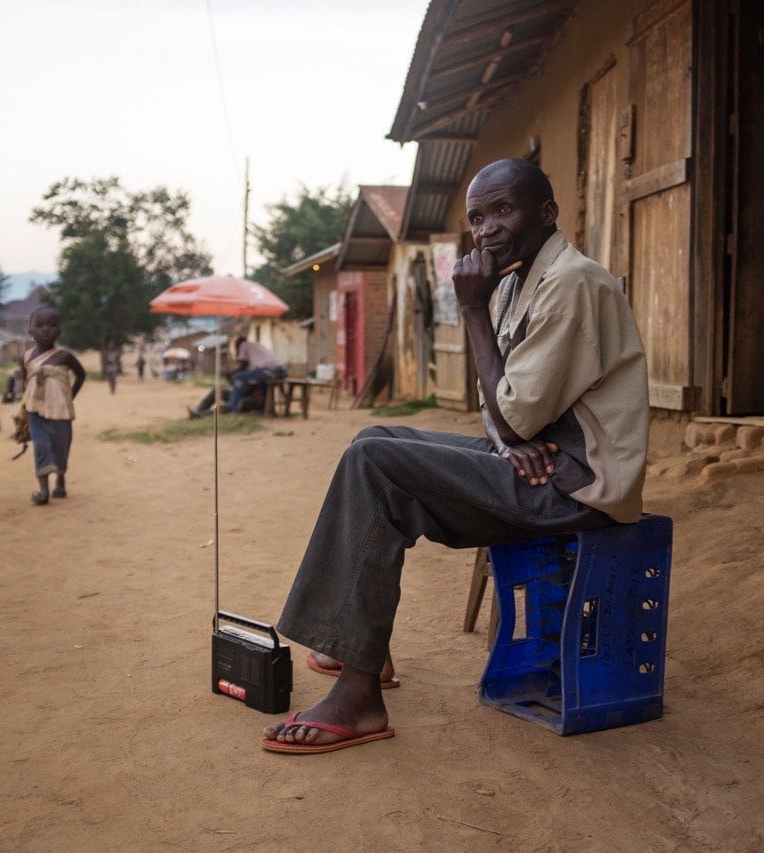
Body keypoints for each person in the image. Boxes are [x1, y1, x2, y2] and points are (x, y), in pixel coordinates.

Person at [261, 158, 650, 754]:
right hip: (541, 463)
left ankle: (361, 696)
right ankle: (362, 646)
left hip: (577, 486)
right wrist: (508, 442)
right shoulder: (517, 283)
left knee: (376, 465)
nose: (487, 228)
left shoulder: (571, 283)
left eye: (503, 210)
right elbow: (493, 409)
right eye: (476, 217)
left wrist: (472, 313)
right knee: (373, 440)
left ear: (547, 213)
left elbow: (511, 410)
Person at [20, 307, 86, 506]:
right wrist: (22, 405)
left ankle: (60, 479)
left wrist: (70, 396)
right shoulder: (26, 358)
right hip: (35, 411)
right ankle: (42, 490)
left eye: (52, 325)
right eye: (39, 325)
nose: (45, 329)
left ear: (59, 331)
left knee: (60, 450)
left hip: (60, 412)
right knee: (41, 446)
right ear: (30, 331)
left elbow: (81, 375)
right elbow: (25, 384)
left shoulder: (64, 357)